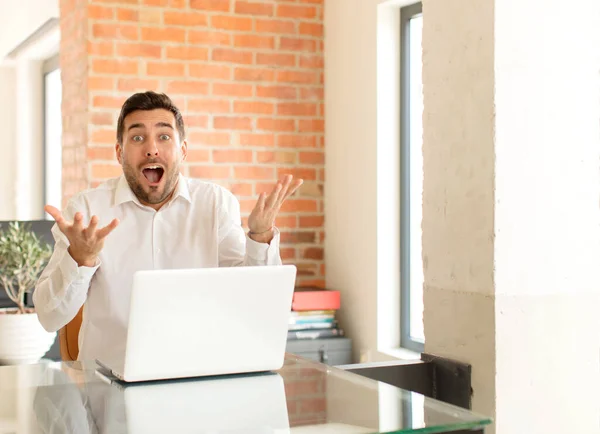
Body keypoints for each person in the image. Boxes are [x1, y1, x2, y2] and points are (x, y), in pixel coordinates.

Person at [32, 91, 303, 363]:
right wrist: (80, 258)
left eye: (164, 136)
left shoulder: (215, 204)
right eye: (137, 137)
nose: (151, 148)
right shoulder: (87, 212)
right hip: (108, 390)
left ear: (182, 150)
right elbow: (49, 316)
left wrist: (260, 236)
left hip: (198, 378)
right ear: (119, 152)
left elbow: (253, 304)